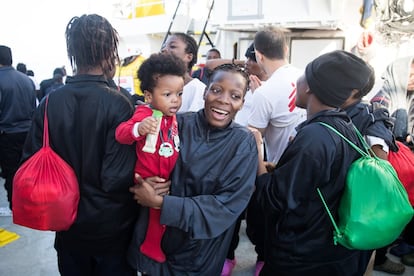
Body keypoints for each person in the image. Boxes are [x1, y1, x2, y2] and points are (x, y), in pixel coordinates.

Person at [20, 14, 138, 276]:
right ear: (110, 50)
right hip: (113, 226)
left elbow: (28, 162)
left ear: (72, 50)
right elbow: (116, 177)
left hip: (65, 222)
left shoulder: (51, 102)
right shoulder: (121, 103)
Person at [127, 64, 258, 275]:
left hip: (200, 254)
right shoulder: (175, 124)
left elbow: (225, 206)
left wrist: (162, 203)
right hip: (156, 245)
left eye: (235, 95)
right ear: (204, 92)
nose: (223, 100)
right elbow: (142, 158)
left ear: (242, 103)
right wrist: (144, 180)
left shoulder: (243, 143)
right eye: (216, 90)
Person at [253, 50, 374, 275]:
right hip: (335, 254)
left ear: (309, 86)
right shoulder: (345, 125)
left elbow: (272, 199)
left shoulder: (315, 137)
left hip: (303, 258)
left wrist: (256, 152)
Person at [115, 53, 186, 263]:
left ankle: (156, 243)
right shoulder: (145, 114)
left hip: (165, 176)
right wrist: (139, 128)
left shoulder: (172, 117)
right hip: (148, 176)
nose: (176, 100)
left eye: (179, 93)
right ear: (148, 97)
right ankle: (150, 246)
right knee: (156, 213)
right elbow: (121, 133)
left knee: (163, 213)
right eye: (168, 94)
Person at [341, 63, 404, 275]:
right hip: (349, 206)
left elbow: (379, 166)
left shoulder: (370, 117)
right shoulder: (342, 111)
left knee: (360, 255)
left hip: (360, 206)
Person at [222, 42, 268, 276]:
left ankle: (260, 254)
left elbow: (257, 130)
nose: (247, 64)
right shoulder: (243, 82)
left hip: (255, 158)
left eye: (250, 59)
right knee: (232, 213)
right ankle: (227, 255)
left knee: (255, 212)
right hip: (231, 158)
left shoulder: (265, 91)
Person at [371, 56, 414, 268]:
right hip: (388, 166)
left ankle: (399, 246)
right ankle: (379, 258)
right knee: (385, 209)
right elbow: (380, 138)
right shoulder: (382, 99)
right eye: (411, 72)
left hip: (403, 166)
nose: (413, 78)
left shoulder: (409, 98)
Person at [248, 26, 306, 166]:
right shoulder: (305, 76)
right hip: (309, 163)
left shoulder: (264, 93)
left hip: (281, 169)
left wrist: (258, 97)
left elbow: (253, 137)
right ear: (286, 49)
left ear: (259, 55)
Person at [0, 45, 36, 210]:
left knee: (10, 172)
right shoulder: (27, 80)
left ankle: (15, 205)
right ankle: (29, 201)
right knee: (27, 170)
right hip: (27, 133)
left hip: (6, 133)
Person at [161, 32, 206, 113]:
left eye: (172, 46)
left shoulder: (198, 89)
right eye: (164, 46)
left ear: (189, 57)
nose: (164, 50)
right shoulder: (158, 87)